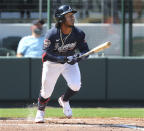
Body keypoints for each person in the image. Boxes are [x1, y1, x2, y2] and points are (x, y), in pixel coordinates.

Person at [35, 5, 89, 123]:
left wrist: (78, 59)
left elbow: (86, 52)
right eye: (69, 16)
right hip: (52, 63)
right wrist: (61, 59)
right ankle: (40, 112)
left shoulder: (79, 33)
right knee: (46, 92)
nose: (72, 18)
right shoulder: (52, 33)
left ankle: (64, 100)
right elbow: (45, 55)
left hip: (70, 62)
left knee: (76, 85)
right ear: (61, 19)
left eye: (72, 15)